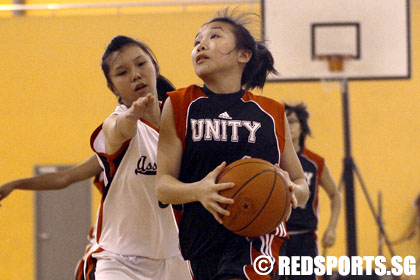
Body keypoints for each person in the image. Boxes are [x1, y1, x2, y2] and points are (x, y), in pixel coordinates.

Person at [156, 8, 309, 280]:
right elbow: (163, 187)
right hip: (198, 240)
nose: (201, 45)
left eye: (214, 36)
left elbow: (301, 183)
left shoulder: (271, 112)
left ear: (243, 55)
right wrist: (198, 190)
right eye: (196, 41)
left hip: (256, 237)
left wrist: (290, 190)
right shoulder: (180, 104)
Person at [85, 35, 189, 280]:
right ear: (112, 87)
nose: (135, 75)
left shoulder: (185, 122)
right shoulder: (118, 121)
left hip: (177, 259)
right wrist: (130, 117)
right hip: (121, 262)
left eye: (141, 64)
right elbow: (117, 130)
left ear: (154, 66)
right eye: (122, 72)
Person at [0, 155, 103, 280]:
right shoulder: (110, 153)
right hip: (109, 253)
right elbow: (62, 178)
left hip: (132, 247)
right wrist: (15, 184)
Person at [276, 102, 341, 280]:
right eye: (285, 122)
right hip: (276, 236)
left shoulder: (315, 162)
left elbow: (335, 195)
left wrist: (332, 228)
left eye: (292, 121)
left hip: (304, 238)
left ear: (302, 127)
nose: (288, 126)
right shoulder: (272, 158)